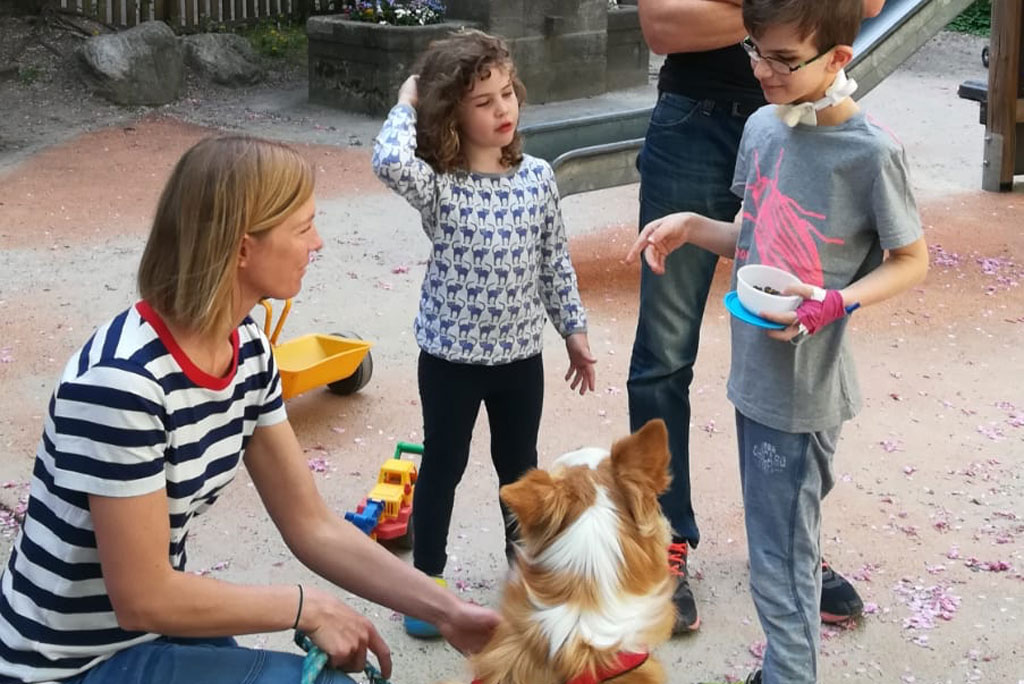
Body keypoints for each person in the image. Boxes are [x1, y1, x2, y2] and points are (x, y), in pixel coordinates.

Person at [0, 136, 500, 684]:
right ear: (242, 249)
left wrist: (446, 611)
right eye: (303, 226)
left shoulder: (247, 346)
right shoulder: (122, 386)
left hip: (148, 634)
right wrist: (308, 606)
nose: (319, 242)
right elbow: (142, 596)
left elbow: (311, 525)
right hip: (63, 668)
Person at [626, 0, 928, 680]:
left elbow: (912, 259)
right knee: (779, 547)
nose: (761, 71)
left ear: (839, 59)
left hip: (805, 390)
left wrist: (837, 300)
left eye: (783, 60)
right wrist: (693, 225)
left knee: (781, 564)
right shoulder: (765, 127)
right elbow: (754, 236)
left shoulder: (870, 153)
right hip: (756, 378)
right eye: (755, 53)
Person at [372, 29, 597, 639]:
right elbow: (388, 160)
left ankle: (524, 575)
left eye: (507, 94)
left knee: (517, 470)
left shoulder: (539, 177)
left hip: (520, 359)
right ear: (452, 113)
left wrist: (573, 329)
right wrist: (407, 101)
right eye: (483, 101)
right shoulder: (438, 184)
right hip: (448, 357)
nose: (503, 109)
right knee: (443, 463)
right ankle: (428, 584)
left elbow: (555, 260)